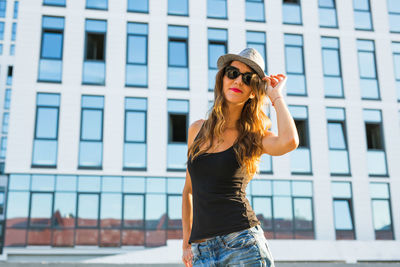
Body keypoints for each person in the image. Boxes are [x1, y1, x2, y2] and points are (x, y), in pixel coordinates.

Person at [181, 47, 299, 267]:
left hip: (243, 246)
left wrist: (276, 96)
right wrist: (186, 243)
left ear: (253, 91)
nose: (238, 82)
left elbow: (289, 141)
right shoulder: (196, 130)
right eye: (233, 73)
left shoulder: (253, 137)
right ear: (222, 78)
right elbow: (188, 191)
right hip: (202, 253)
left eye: (247, 79)